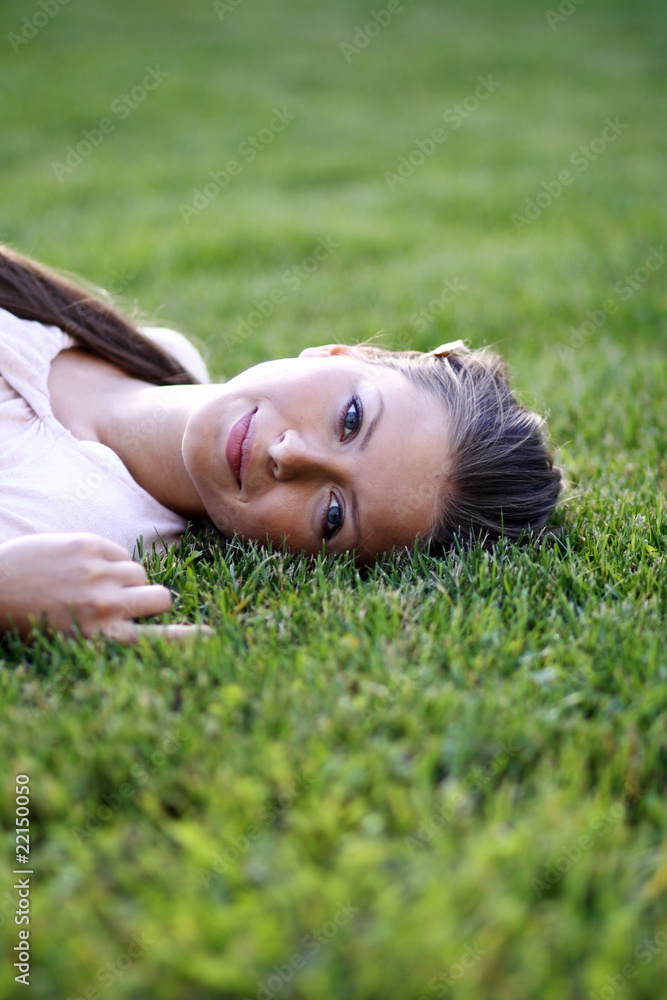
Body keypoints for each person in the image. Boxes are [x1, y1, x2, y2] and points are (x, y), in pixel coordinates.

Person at [0, 245, 562, 642]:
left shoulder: (74, 523)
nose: (292, 456)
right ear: (346, 352)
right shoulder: (154, 351)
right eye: (350, 418)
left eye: (333, 514)